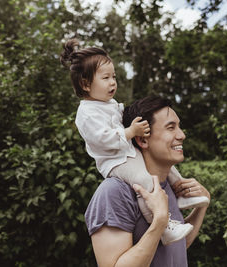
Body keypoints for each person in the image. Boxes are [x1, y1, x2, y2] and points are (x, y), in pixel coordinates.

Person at [59, 39, 209, 245]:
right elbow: (103, 139)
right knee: (144, 181)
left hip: (127, 152)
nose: (113, 82)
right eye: (105, 78)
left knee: (170, 171)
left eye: (114, 77)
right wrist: (130, 131)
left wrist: (201, 208)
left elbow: (179, 249)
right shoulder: (86, 113)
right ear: (85, 84)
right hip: (116, 161)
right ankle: (164, 226)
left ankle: (183, 193)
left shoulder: (108, 104)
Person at [86, 96, 210, 266]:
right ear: (143, 139)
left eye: (179, 127)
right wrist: (159, 222)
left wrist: (200, 208)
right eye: (170, 128)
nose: (182, 135)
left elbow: (175, 247)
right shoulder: (114, 192)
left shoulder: (168, 187)